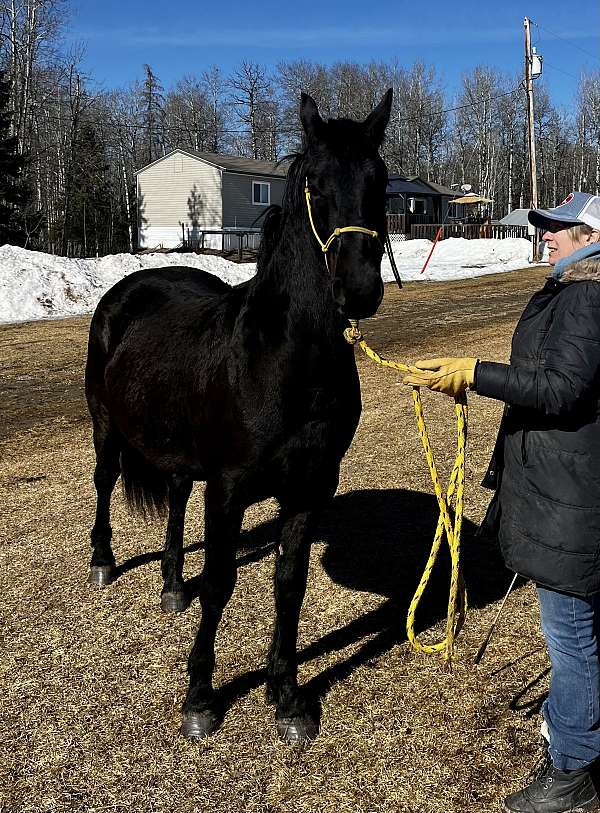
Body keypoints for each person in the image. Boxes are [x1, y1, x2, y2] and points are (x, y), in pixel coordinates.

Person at [404, 191, 600, 813]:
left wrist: (476, 372)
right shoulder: (578, 291)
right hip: (571, 490)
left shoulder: (586, 297)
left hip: (570, 501)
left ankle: (571, 771)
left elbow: (562, 389)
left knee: (571, 639)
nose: (547, 236)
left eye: (559, 229)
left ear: (590, 236)